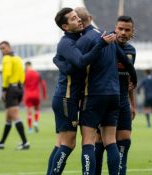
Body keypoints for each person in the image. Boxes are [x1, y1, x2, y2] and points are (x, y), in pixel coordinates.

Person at [46, 8, 116, 175]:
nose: (78, 20)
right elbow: (80, 62)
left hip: (69, 98)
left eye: (77, 17)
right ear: (65, 26)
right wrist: (101, 43)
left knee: (61, 143)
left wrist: (57, 60)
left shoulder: (78, 38)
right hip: (66, 97)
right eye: (73, 19)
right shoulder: (66, 42)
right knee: (68, 144)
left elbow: (72, 64)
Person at [94, 15, 137, 175]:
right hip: (105, 100)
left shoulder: (131, 51)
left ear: (132, 32)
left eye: (127, 30)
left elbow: (130, 80)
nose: (123, 32)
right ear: (115, 28)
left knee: (124, 140)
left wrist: (133, 104)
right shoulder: (105, 46)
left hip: (123, 102)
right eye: (120, 28)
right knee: (100, 142)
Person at [0, 41, 29, 150]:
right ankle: (1, 143)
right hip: (19, 88)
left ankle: (25, 143)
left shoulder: (6, 59)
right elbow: (22, 75)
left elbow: (6, 74)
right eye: (0, 49)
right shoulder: (17, 58)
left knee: (15, 115)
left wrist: (4, 89)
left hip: (11, 89)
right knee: (9, 116)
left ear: (9, 47)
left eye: (3, 48)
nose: (2, 51)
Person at [23, 61, 47, 133]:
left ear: (26, 66)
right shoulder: (37, 74)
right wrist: (44, 95)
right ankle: (36, 122)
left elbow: (22, 85)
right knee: (37, 109)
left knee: (29, 113)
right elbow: (43, 84)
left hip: (28, 95)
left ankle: (30, 129)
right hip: (36, 95)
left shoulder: (25, 74)